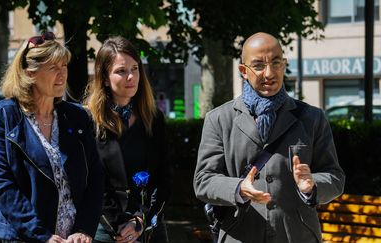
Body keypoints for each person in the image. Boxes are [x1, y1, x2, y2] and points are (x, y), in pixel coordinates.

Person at [193, 32, 345, 243]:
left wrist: (312, 185)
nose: (269, 73)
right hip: (240, 235)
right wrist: (238, 189)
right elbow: (203, 180)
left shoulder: (312, 118)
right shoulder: (219, 119)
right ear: (243, 71)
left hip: (298, 236)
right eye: (258, 65)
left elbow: (335, 176)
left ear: (284, 65)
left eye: (276, 63)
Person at [0, 31, 104, 243]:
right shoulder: (1, 116)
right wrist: (41, 235)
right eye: (53, 67)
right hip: (21, 237)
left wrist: (84, 229)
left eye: (64, 66)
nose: (62, 73)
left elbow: (95, 177)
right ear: (29, 73)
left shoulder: (77, 117)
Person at [85, 36, 172, 243]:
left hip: (148, 227)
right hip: (106, 229)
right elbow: (91, 182)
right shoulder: (89, 121)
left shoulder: (153, 118)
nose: (131, 77)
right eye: (121, 71)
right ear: (105, 78)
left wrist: (141, 220)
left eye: (134, 69)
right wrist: (120, 224)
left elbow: (164, 175)